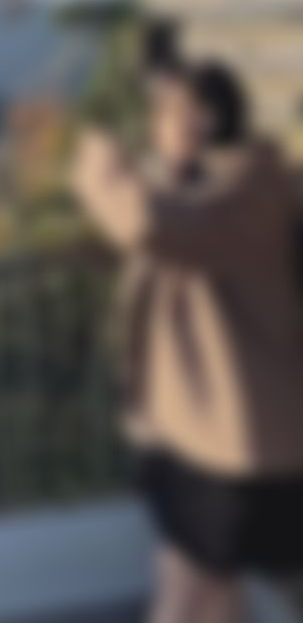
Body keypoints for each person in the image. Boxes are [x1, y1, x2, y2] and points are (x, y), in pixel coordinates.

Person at [72, 58, 303, 623]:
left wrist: (99, 159)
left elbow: (148, 225)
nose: (155, 123)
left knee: (190, 593)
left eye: (167, 110)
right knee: (201, 586)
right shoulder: (200, 187)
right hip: (192, 438)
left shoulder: (253, 192)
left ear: (205, 119)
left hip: (238, 450)